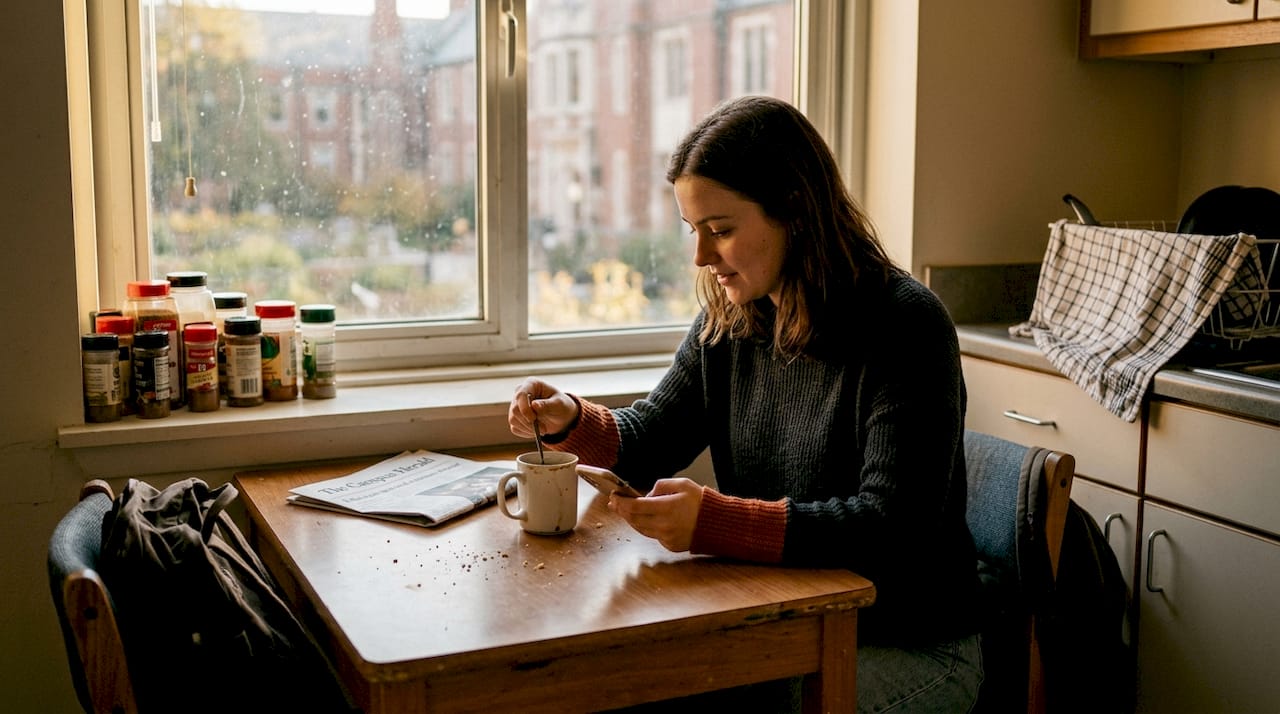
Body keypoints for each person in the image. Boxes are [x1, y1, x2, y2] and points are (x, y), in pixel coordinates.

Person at [508, 95, 981, 713]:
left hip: (913, 645)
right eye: (693, 231)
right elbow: (654, 435)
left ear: (794, 211)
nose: (702, 256)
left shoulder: (905, 326)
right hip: (785, 624)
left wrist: (714, 522)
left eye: (721, 230)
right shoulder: (734, 317)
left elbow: (891, 526)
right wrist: (573, 418)